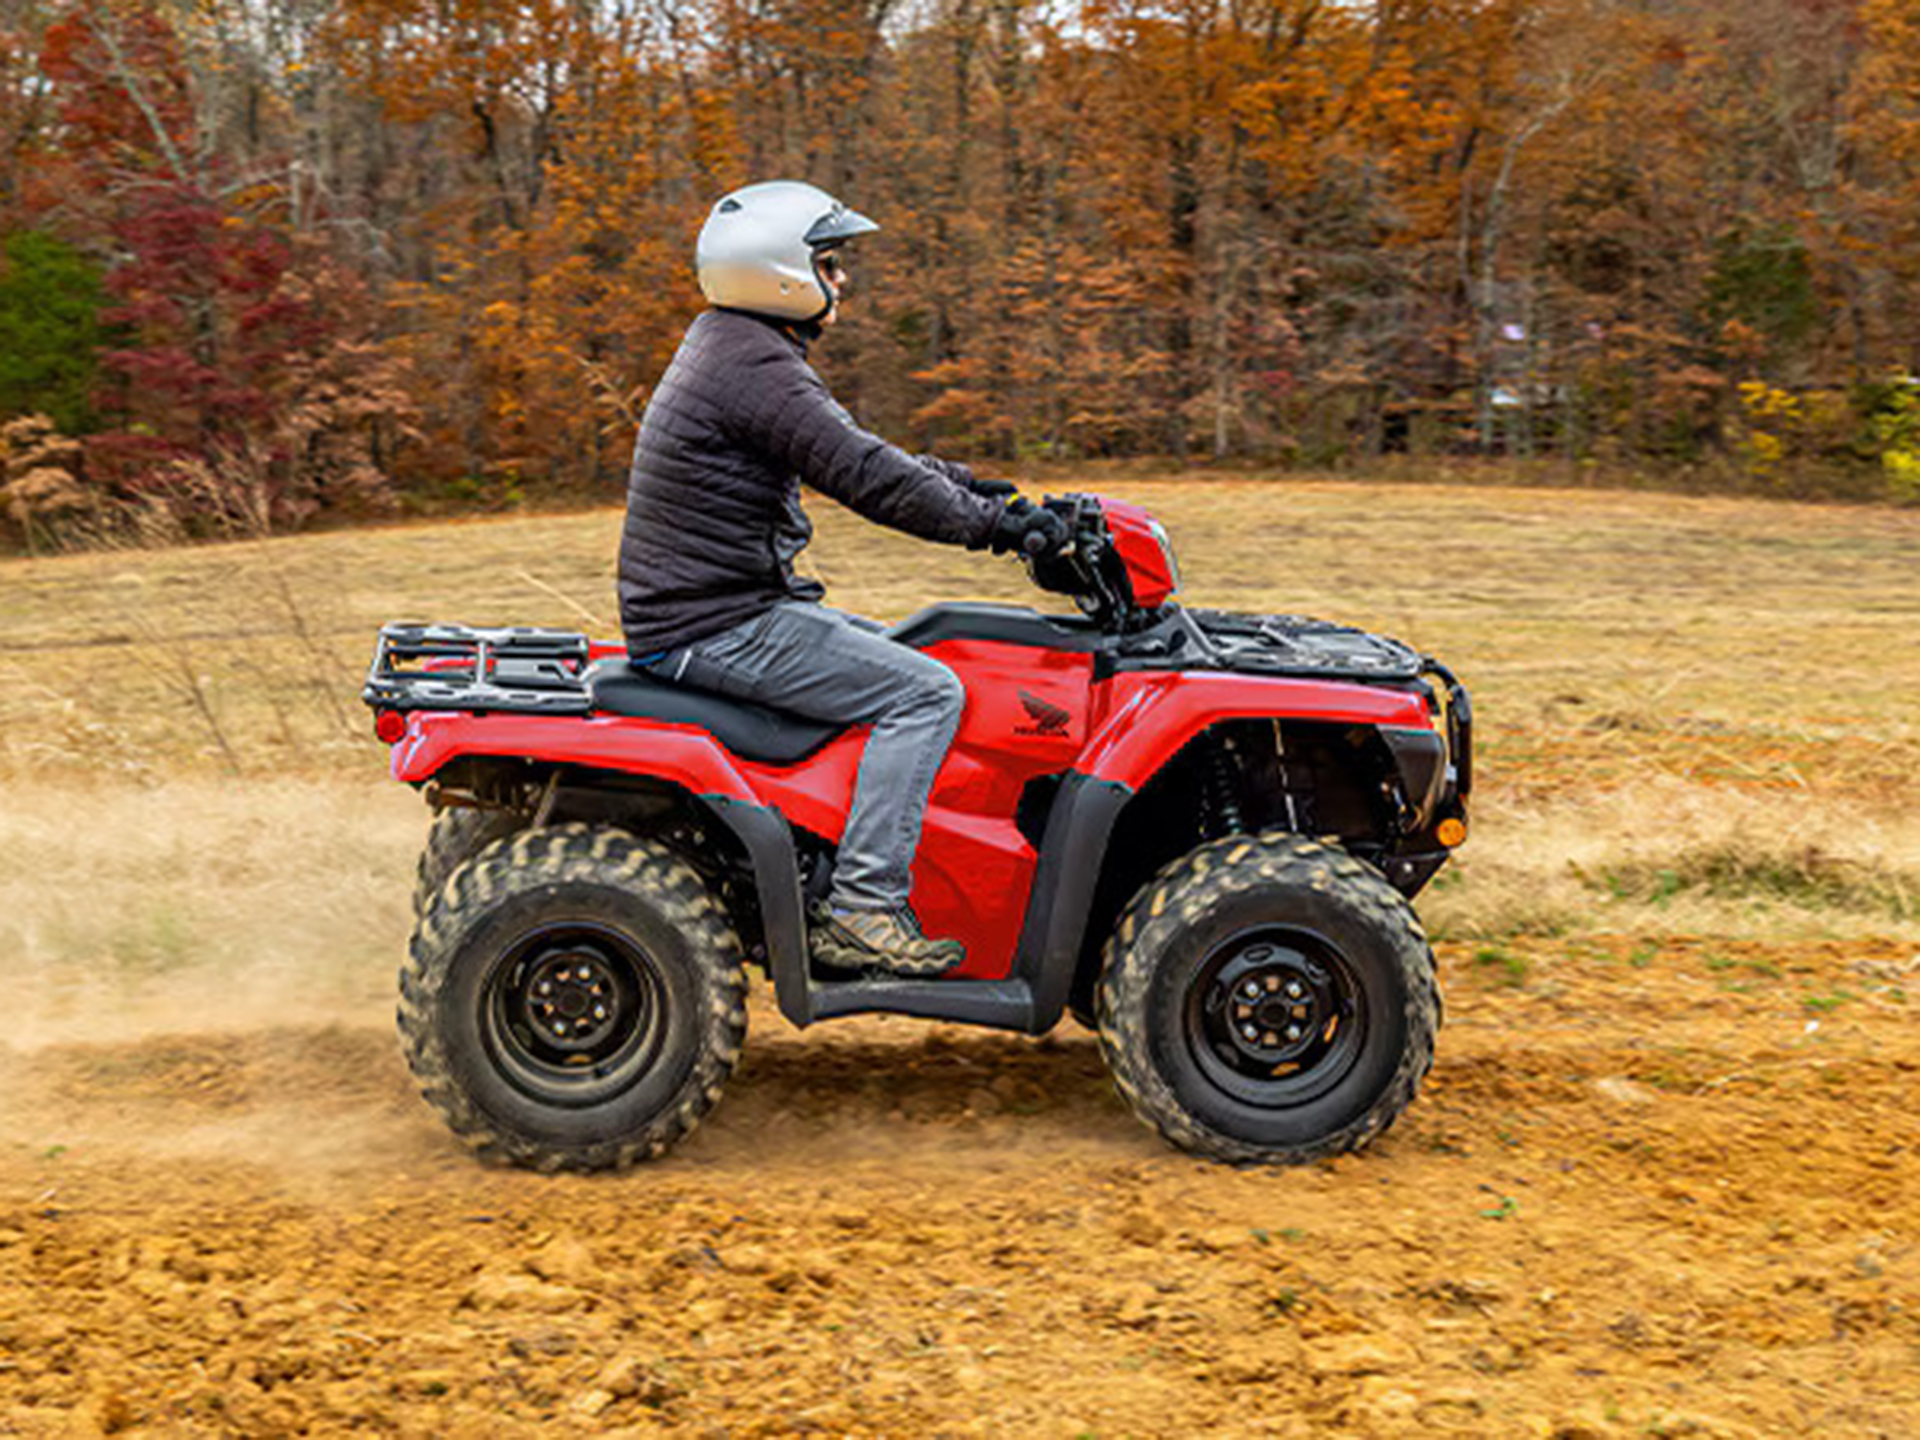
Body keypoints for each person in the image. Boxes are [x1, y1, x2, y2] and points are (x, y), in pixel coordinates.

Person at [618, 180, 1068, 977]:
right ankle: (864, 907)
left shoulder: (735, 347)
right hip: (716, 623)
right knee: (926, 691)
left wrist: (983, 491)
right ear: (781, 272)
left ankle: (845, 854)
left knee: (928, 653)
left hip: (719, 609)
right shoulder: (750, 363)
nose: (843, 280)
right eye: (830, 262)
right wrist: (996, 530)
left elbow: (860, 451)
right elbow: (865, 475)